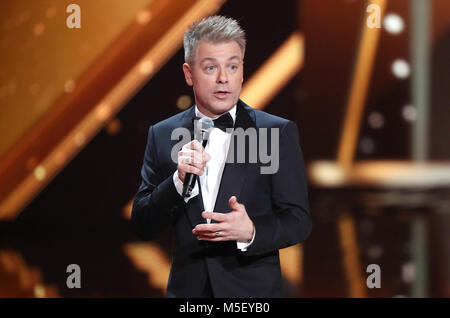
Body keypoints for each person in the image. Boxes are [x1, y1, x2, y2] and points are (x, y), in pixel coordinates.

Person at [131, 15, 311, 298]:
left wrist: (251, 231)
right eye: (211, 67)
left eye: (232, 66)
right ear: (189, 73)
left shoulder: (276, 132)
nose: (223, 78)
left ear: (242, 71)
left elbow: (298, 220)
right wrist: (177, 182)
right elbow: (142, 224)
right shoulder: (162, 134)